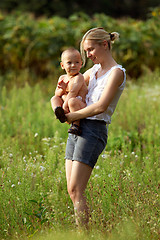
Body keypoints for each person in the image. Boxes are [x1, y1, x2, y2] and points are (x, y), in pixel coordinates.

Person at [51, 27, 126, 229]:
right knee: (72, 190)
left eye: (91, 50)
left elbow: (100, 106)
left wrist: (71, 115)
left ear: (105, 44)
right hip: (76, 127)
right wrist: (60, 94)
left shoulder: (116, 72)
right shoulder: (92, 71)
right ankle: (84, 231)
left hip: (93, 129)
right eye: (86, 51)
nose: (88, 56)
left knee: (76, 189)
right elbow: (74, 87)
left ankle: (84, 234)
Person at [51, 47, 88, 135]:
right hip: (66, 105)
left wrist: (64, 106)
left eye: (77, 62)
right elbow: (57, 93)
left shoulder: (79, 77)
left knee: (72, 101)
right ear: (62, 65)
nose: (73, 65)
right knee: (54, 98)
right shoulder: (62, 78)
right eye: (69, 63)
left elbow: (73, 93)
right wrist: (62, 89)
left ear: (81, 64)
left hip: (79, 105)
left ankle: (76, 125)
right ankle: (59, 112)